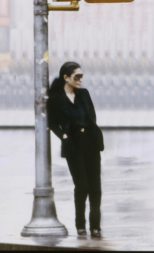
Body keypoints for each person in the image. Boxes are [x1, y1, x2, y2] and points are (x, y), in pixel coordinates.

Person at [47, 61, 104, 238]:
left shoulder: (84, 94)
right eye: (76, 76)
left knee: (95, 187)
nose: (80, 80)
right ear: (66, 78)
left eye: (81, 76)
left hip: (91, 143)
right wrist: (63, 136)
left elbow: (92, 116)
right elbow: (51, 122)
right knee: (82, 186)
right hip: (73, 145)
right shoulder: (55, 98)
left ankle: (95, 226)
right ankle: (80, 225)